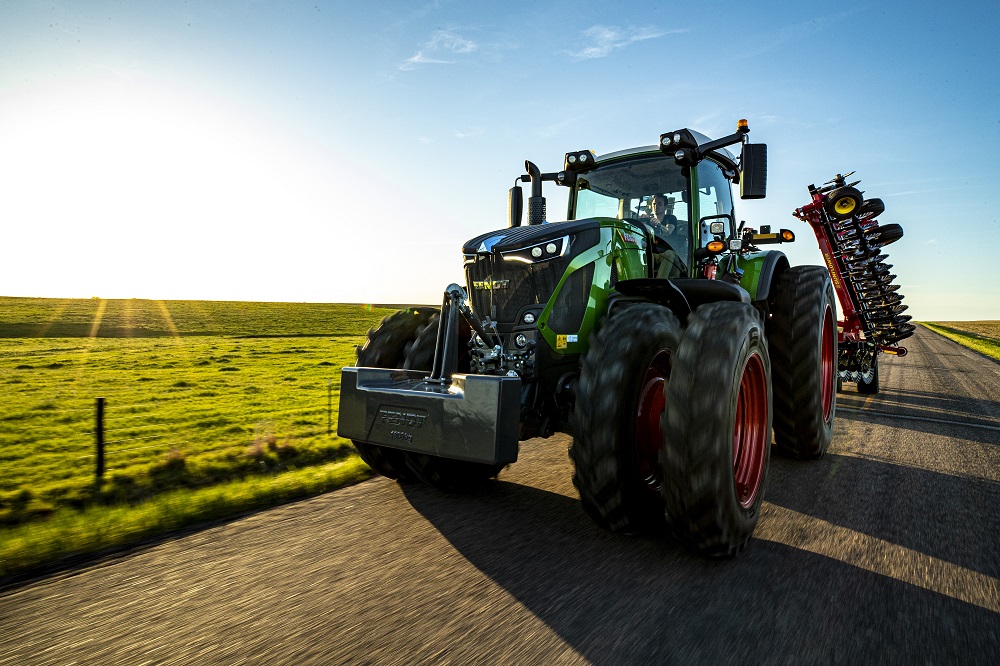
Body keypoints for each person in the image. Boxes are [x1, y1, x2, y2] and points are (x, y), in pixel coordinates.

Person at [643, 194, 688, 278]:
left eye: (659, 204)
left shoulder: (670, 218)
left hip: (673, 257)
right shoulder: (649, 222)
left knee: (669, 254)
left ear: (665, 207)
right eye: (654, 204)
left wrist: (659, 225)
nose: (656, 206)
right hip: (654, 255)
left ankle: (658, 285)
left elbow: (668, 231)